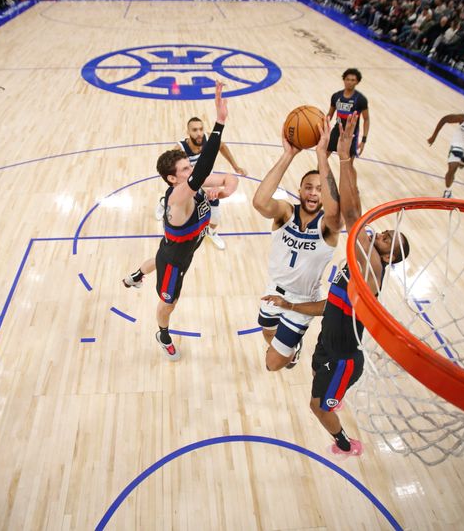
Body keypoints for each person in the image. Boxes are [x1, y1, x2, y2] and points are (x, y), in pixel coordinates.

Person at [263, 115, 410, 457]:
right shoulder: (362, 261)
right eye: (387, 231)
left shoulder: (371, 266)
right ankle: (331, 393)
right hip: (327, 343)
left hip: (344, 358)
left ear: (388, 258)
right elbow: (330, 303)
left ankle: (346, 443)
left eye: (390, 240)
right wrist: (292, 308)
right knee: (316, 375)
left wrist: (337, 157)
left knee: (318, 407)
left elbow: (352, 210)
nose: (384, 234)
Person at [122, 82, 229, 361]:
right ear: (172, 179)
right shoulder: (179, 197)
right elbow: (206, 166)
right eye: (185, 169)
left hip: (179, 247)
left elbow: (231, 178)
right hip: (175, 262)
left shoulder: (192, 187)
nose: (191, 170)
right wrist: (219, 123)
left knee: (157, 255)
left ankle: (135, 276)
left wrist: (226, 189)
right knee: (169, 302)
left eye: (189, 166)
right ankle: (163, 333)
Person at [252, 117, 342, 372]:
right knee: (267, 331)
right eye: (308, 188)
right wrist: (288, 155)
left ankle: (293, 349)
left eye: (318, 189)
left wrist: (322, 156)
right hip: (273, 289)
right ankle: (290, 347)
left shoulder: (328, 226)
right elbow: (260, 202)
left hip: (302, 300)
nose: (314, 193)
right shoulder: (284, 213)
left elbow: (336, 210)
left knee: (272, 364)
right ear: (300, 190)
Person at [154, 116, 245, 250]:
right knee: (178, 203)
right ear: (188, 132)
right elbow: (170, 171)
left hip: (205, 180)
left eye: (201, 129)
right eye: (195, 130)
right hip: (188, 183)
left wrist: (235, 167)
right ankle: (164, 202)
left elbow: (222, 146)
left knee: (215, 215)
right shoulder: (180, 149)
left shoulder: (208, 139)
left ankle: (211, 232)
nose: (199, 133)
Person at [326, 68, 370, 159]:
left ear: (357, 82)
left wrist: (363, 141)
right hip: (337, 131)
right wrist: (323, 129)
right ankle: (321, 173)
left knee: (348, 163)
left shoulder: (361, 99)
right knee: (323, 156)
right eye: (347, 79)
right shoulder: (336, 96)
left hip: (351, 134)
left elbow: (366, 119)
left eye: (353, 80)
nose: (349, 82)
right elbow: (329, 115)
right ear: (344, 80)